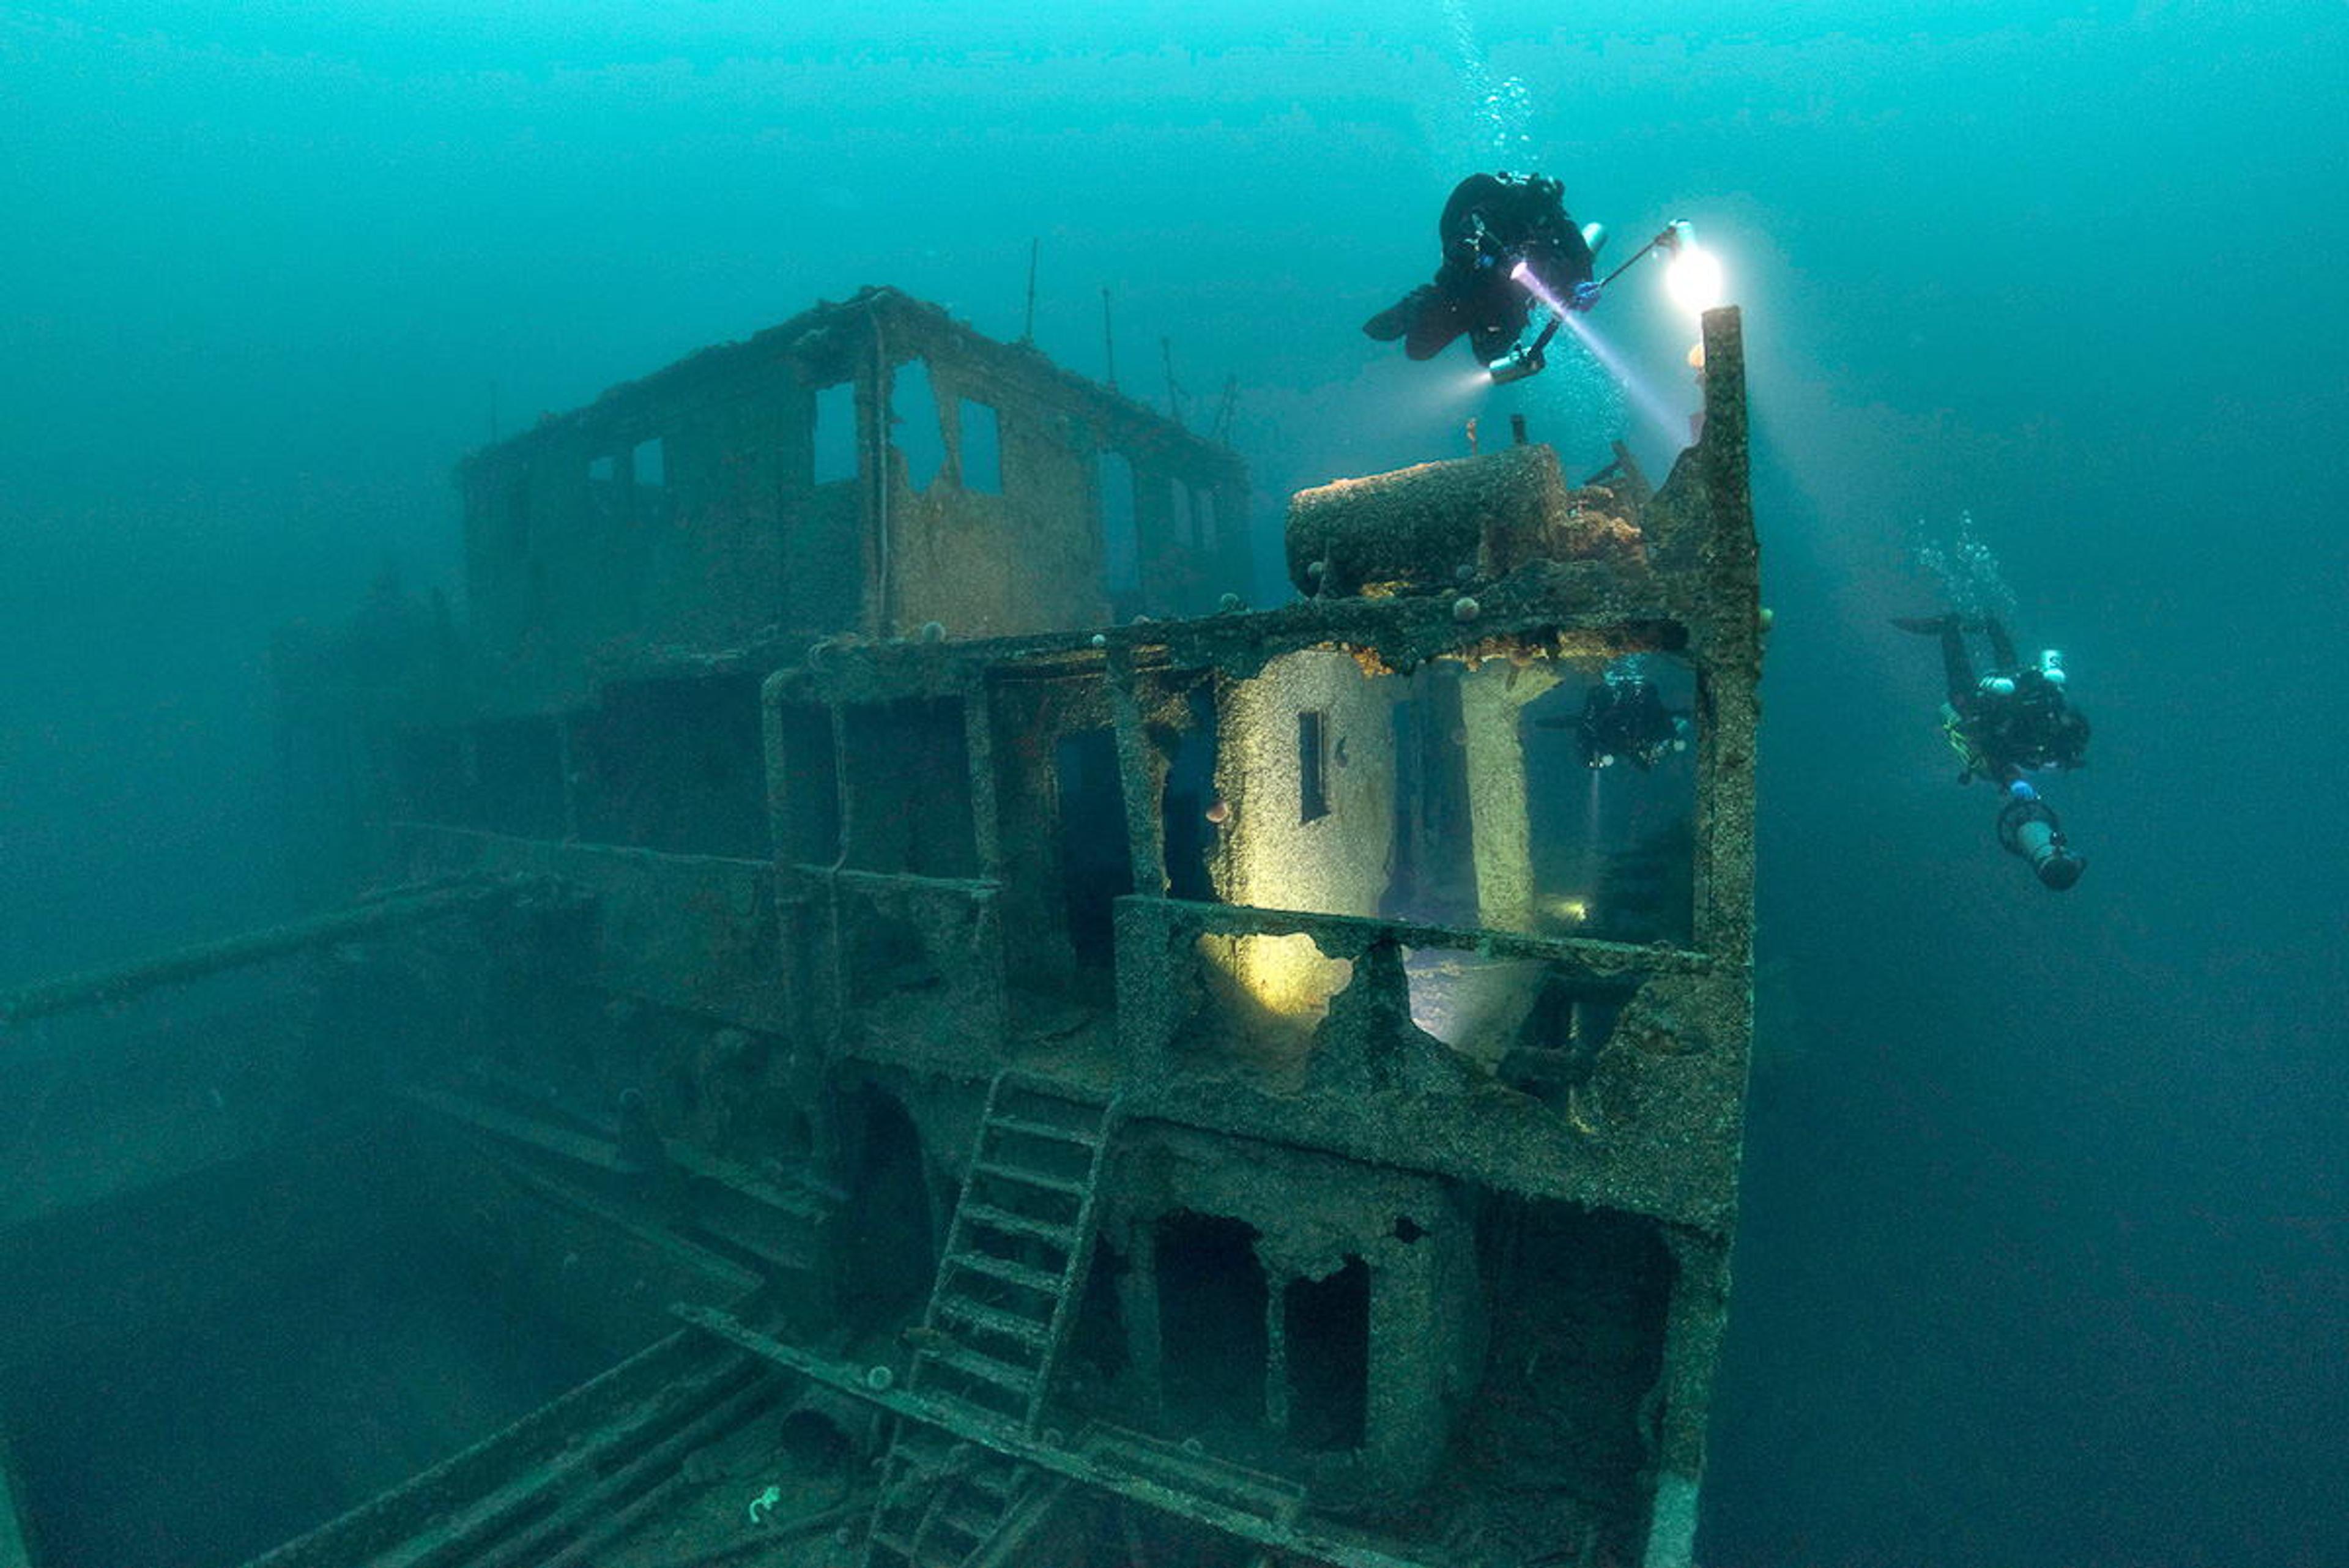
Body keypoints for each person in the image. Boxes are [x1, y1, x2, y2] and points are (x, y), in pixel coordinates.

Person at [1896, 613, 2090, 888]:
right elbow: (1999, 751)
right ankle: (1952, 627)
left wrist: (2015, 779)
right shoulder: (2045, 734)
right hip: (2007, 714)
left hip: (2017, 706)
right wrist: (2014, 778)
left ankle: (1985, 624)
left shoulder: (2057, 732)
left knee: (2007, 674)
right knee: (1965, 696)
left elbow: (2006, 755)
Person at [1364, 172, 1598, 367]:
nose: (1536, 222)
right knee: (1418, 350)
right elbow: (1460, 245)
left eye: (1541, 218)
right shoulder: (1492, 210)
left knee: (1489, 358)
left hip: (1506, 305)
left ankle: (1470, 324)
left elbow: (1578, 254)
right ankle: (1419, 305)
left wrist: (1581, 283)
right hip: (1463, 291)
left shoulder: (1553, 221)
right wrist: (1492, 261)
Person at [1577, 667, 1688, 771]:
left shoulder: (1651, 725)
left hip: (1627, 733)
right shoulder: (1650, 726)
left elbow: (1626, 746)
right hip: (1625, 731)